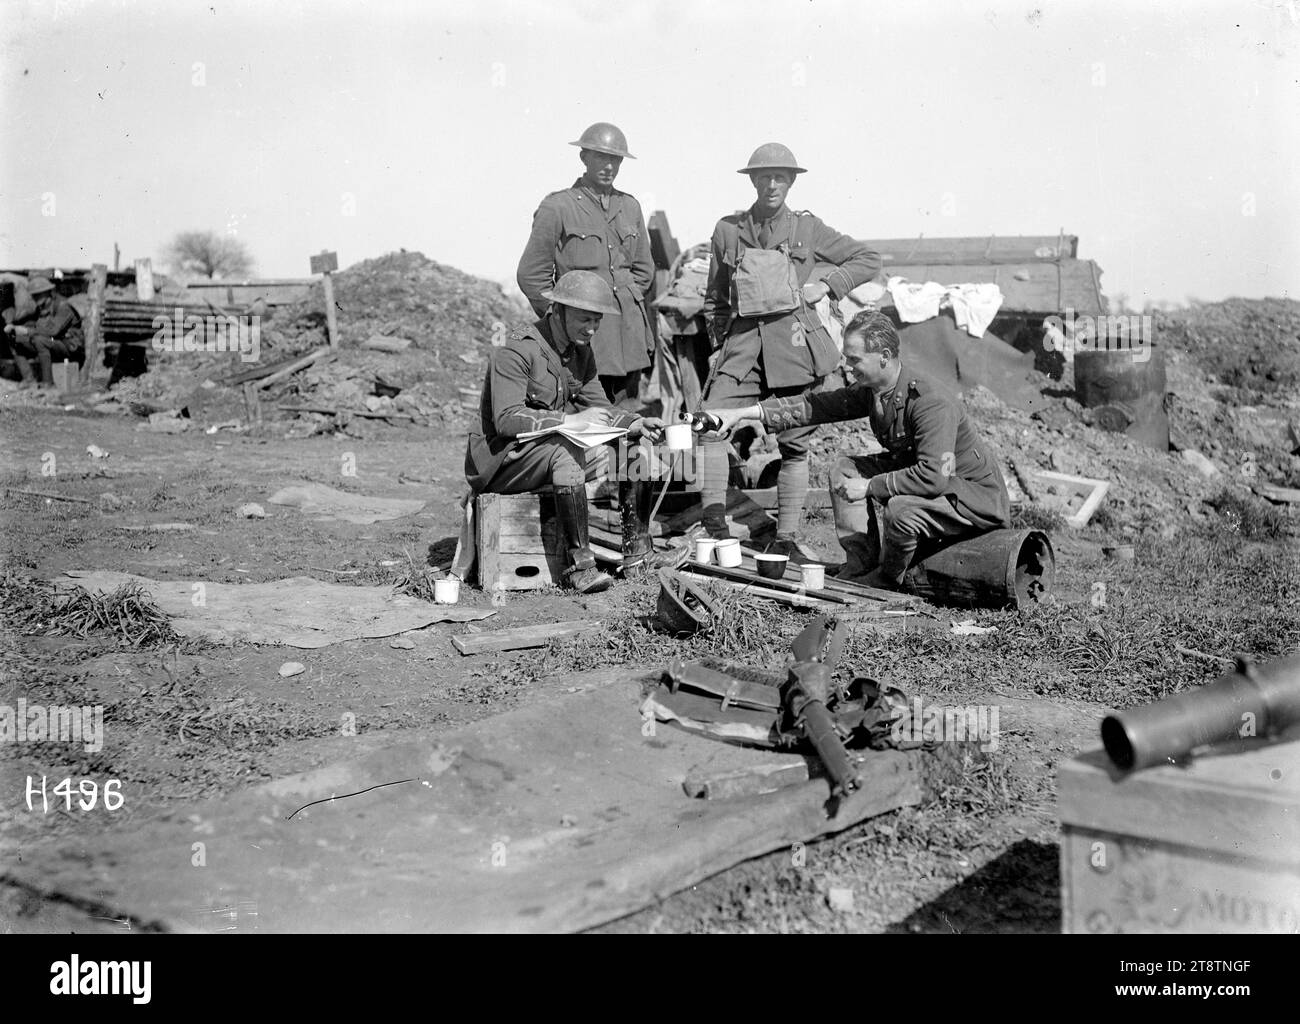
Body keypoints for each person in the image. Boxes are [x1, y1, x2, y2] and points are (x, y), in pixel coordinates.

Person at [700, 309, 1010, 589]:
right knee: (843, 468)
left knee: (899, 511)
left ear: (884, 356)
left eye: (854, 359)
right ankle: (860, 565)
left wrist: (871, 486)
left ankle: (888, 579)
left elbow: (934, 477)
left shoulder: (929, 402)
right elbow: (813, 407)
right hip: (934, 482)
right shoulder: (876, 390)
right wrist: (742, 413)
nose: (847, 366)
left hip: (968, 498)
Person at [695, 143, 879, 558]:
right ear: (752, 181)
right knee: (708, 427)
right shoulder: (728, 230)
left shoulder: (805, 229)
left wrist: (829, 285)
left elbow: (868, 258)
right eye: (764, 177)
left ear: (791, 181)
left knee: (794, 445)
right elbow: (714, 301)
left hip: (795, 349)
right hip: (742, 349)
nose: (771, 184)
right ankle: (714, 527)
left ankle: (787, 538)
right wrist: (717, 347)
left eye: (780, 176)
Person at [465, 270, 667, 594]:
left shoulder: (580, 352)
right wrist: (569, 421)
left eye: (597, 321)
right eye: (584, 319)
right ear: (557, 310)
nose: (591, 329)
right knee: (565, 452)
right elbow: (505, 420)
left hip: (544, 455)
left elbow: (601, 407)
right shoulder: (515, 348)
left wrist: (635, 424)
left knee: (630, 450)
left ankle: (637, 555)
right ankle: (580, 567)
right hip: (501, 461)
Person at [516, 122, 656, 404]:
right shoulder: (558, 207)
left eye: (615, 159)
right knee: (587, 418)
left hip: (628, 337)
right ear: (583, 158)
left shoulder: (630, 207)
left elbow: (644, 271)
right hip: (585, 338)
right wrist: (563, 320)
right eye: (601, 157)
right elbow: (531, 274)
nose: (609, 166)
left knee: (628, 417)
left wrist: (624, 307)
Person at [3, 276, 83, 387]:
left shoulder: (64, 306)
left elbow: (53, 330)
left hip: (69, 346)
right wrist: (15, 329)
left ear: (48, 292)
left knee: (39, 340)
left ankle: (47, 383)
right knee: (14, 339)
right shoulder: (41, 307)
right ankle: (29, 379)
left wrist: (26, 331)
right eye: (34, 295)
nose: (36, 298)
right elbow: (35, 325)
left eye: (39, 294)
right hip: (53, 342)